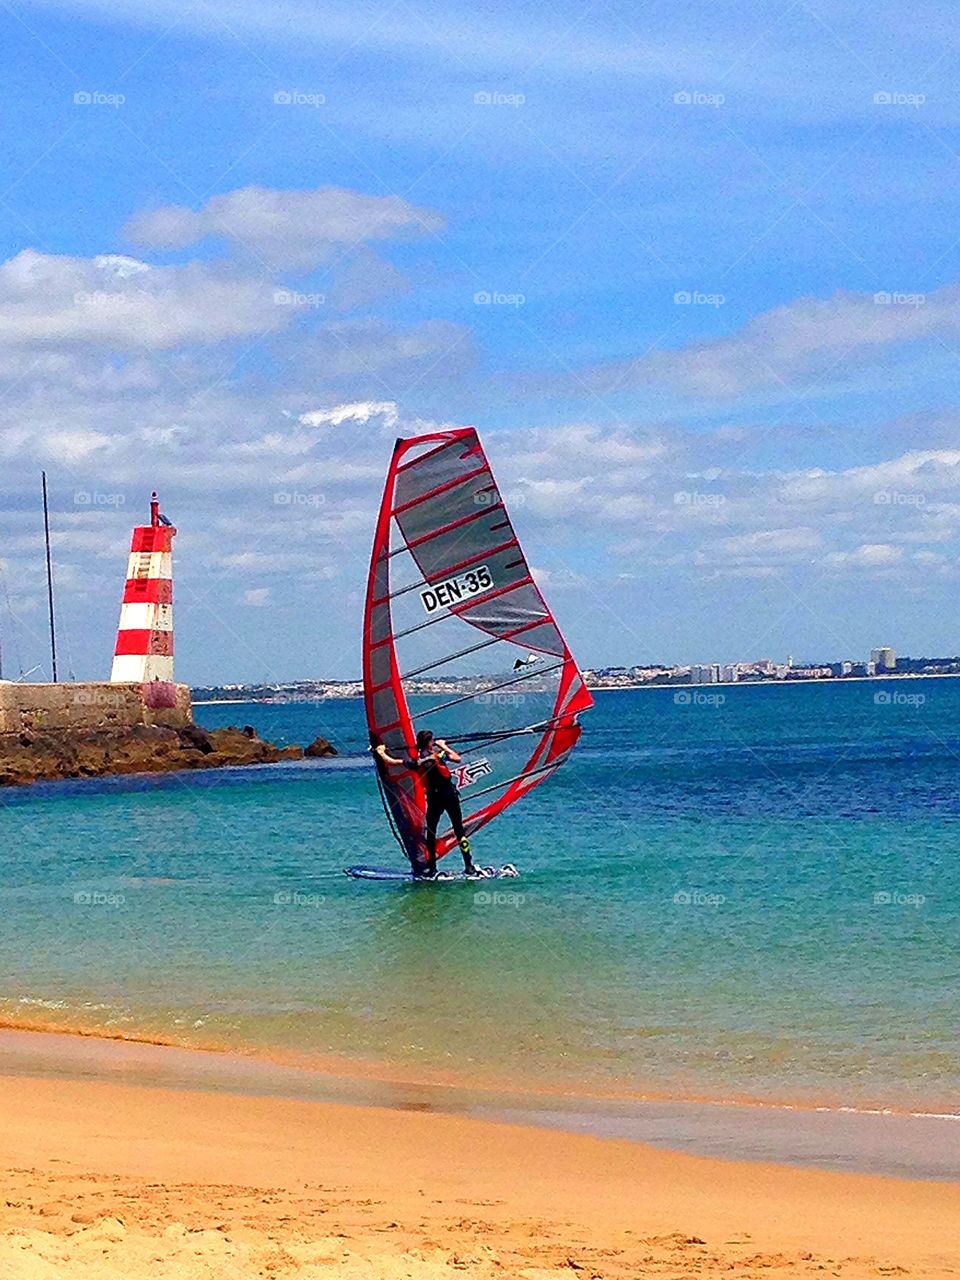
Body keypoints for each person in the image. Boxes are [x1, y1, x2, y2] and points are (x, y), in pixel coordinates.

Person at [408, 728, 480, 878]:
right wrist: (443, 745)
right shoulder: (437, 756)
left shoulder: (418, 760)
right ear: (429, 743)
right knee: (459, 830)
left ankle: (432, 868)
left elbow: (396, 762)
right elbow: (457, 758)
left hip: (434, 798)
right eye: (432, 741)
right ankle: (469, 865)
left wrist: (380, 753)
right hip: (448, 795)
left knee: (431, 831)